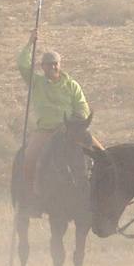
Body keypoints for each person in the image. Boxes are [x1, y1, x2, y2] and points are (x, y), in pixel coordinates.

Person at [16, 34, 98, 214]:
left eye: (56, 63)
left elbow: (82, 106)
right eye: (49, 64)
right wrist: (30, 43)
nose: (53, 66)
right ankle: (32, 198)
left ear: (60, 65)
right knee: (30, 158)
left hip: (71, 130)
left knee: (102, 153)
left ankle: (99, 197)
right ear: (42, 67)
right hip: (45, 130)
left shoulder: (72, 85)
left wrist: (76, 122)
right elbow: (22, 64)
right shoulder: (36, 82)